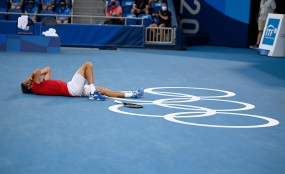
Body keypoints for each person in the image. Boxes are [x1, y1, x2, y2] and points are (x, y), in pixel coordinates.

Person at [21, 62, 144, 100]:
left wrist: (33, 79)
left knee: (105, 90)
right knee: (87, 65)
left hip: (73, 88)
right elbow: (37, 71)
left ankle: (132, 94)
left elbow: (47, 69)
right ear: (28, 85)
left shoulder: (41, 85)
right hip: (71, 88)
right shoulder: (36, 87)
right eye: (26, 82)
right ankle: (93, 93)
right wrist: (31, 78)